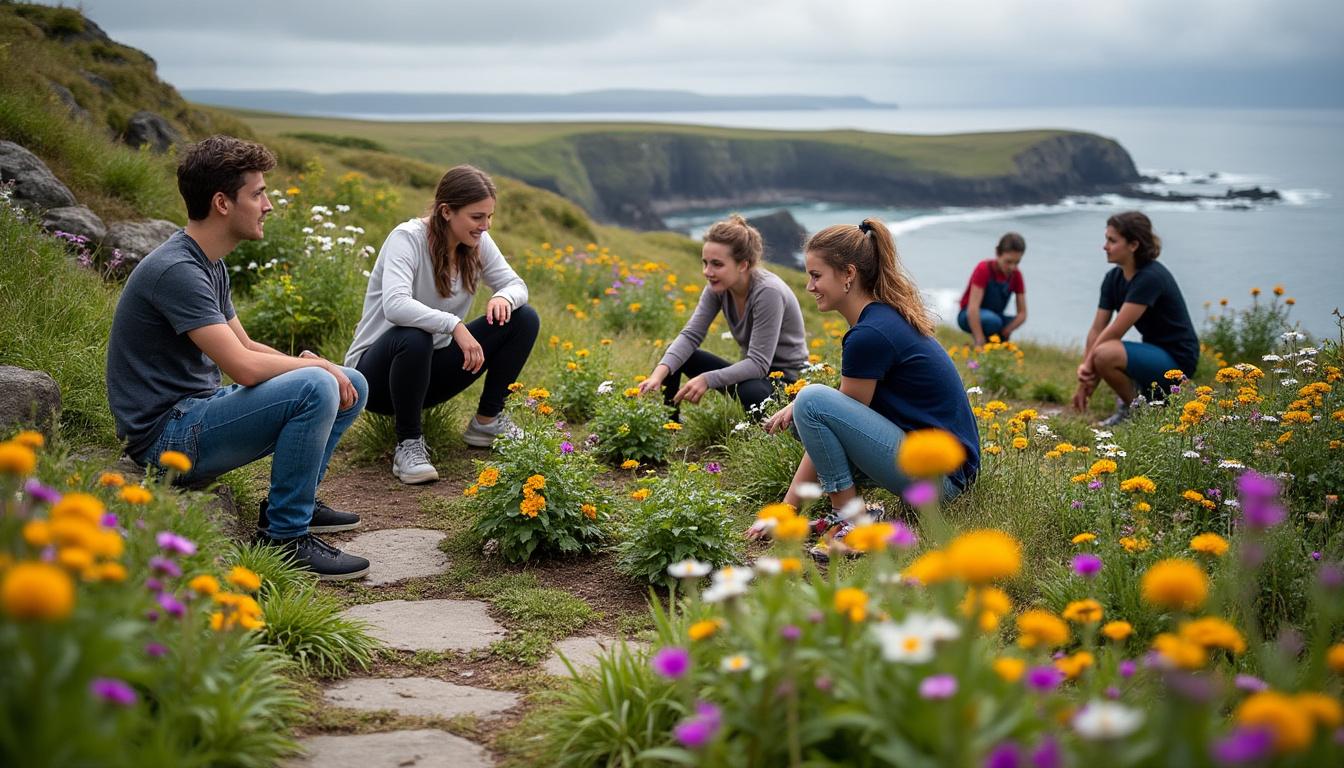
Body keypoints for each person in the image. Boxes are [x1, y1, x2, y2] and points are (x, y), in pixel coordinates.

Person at [107, 135, 370, 580]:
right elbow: (243, 368)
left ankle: (294, 501)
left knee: (352, 382)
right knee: (318, 383)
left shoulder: (209, 262)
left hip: (195, 414)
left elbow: (246, 347)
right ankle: (285, 537)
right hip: (165, 440)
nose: (268, 204)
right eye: (258, 193)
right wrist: (314, 369)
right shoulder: (177, 271)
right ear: (222, 203)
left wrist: (312, 362)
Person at [762, 219, 980, 546]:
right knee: (804, 416)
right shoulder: (879, 320)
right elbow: (836, 419)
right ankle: (849, 515)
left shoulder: (870, 335)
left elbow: (827, 411)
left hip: (940, 481)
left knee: (810, 403)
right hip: (943, 471)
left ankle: (850, 522)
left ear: (848, 274)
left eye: (816, 275)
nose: (809, 286)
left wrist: (786, 510)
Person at [346, 165, 538, 484]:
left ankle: (487, 422)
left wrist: (504, 297)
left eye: (489, 217)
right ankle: (408, 445)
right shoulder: (406, 238)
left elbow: (516, 284)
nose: (485, 226)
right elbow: (395, 305)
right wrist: (453, 325)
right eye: (477, 217)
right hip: (375, 380)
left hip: (429, 374)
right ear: (447, 211)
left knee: (523, 317)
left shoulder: (478, 242)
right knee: (414, 334)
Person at [637, 215, 808, 415]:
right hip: (753, 374)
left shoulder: (768, 292)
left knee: (750, 391)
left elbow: (759, 364)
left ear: (743, 265)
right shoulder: (718, 287)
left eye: (717, 264)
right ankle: (669, 423)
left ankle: (764, 434)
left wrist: (706, 379)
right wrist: (657, 375)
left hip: (787, 384)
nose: (707, 272)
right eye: (705, 263)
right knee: (676, 356)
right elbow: (690, 335)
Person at [1072, 211, 1199, 426]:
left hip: (1177, 360)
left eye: (1112, 240)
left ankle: (1139, 415)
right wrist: (1085, 382)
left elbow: (1114, 332)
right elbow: (1097, 330)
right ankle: (1141, 405)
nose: (1105, 246)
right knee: (1102, 351)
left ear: (1133, 245)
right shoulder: (1113, 278)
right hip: (1152, 354)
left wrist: (1088, 367)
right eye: (1106, 239)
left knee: (1105, 353)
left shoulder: (1150, 278)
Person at [957, 232, 1028, 346]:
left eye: (1017, 262)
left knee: (1006, 321)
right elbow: (973, 309)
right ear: (997, 253)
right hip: (968, 315)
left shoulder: (1016, 275)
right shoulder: (983, 269)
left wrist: (1007, 330)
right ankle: (981, 343)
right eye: (1008, 262)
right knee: (993, 321)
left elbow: (1022, 314)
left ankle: (994, 344)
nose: (1012, 267)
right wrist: (980, 339)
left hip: (994, 317)